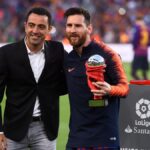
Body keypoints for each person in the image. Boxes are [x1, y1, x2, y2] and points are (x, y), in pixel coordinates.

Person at [0, 7, 67, 150]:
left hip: (45, 130)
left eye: (41, 27)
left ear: (49, 29)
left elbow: (74, 71)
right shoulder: (6, 53)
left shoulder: (57, 50)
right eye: (31, 25)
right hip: (13, 131)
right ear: (25, 26)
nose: (35, 31)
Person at [63, 7, 129, 150]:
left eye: (78, 25)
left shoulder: (108, 54)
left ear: (89, 28)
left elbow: (124, 88)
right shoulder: (68, 59)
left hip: (105, 139)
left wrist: (110, 89)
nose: (72, 30)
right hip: (76, 139)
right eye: (69, 25)